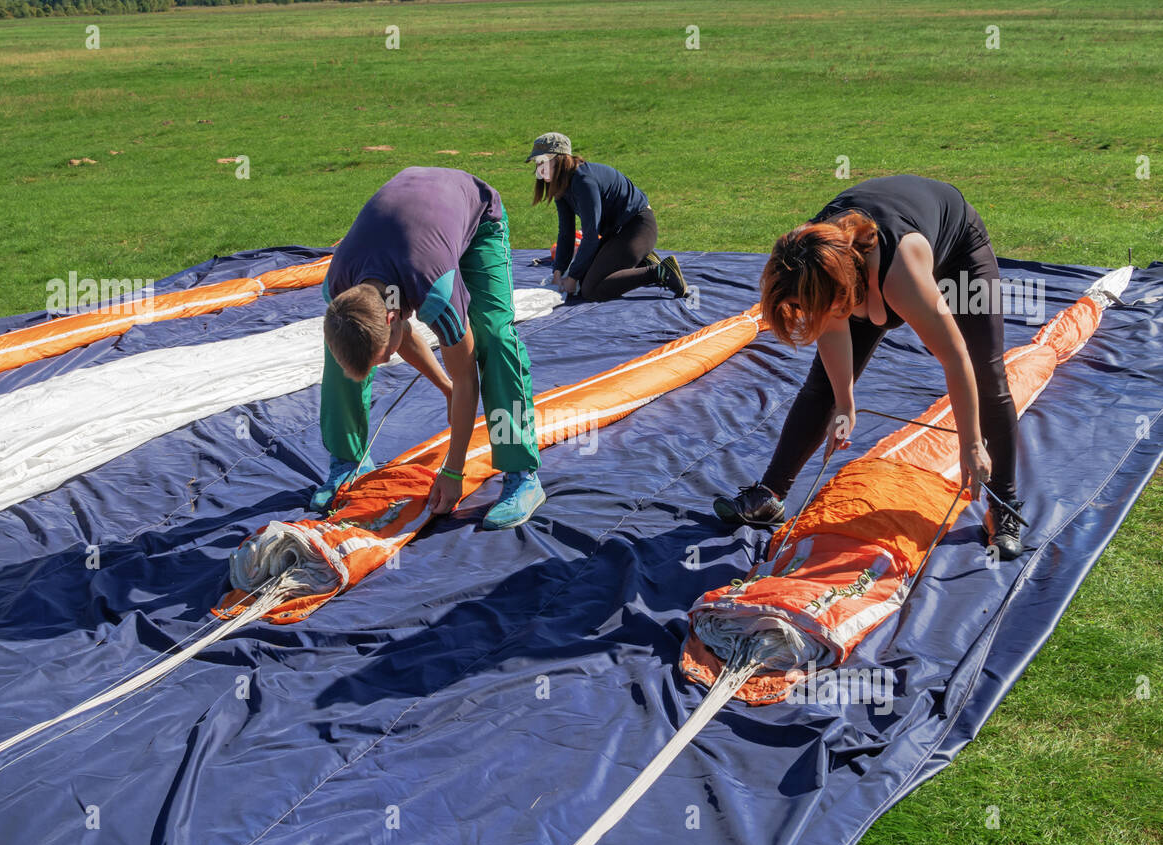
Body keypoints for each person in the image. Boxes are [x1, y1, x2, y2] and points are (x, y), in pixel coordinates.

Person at [713, 174, 1026, 558]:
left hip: (957, 248)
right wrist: (845, 402)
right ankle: (771, 493)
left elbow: (955, 357)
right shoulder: (806, 258)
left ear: (846, 287)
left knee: (987, 375)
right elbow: (830, 332)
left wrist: (972, 444)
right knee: (822, 388)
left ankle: (1004, 505)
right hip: (859, 274)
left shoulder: (902, 273)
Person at [313, 166, 545, 530]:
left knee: (494, 338)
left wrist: (453, 471)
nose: (388, 360)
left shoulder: (436, 288)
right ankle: (346, 460)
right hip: (411, 220)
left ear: (391, 319)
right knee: (345, 340)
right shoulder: (340, 291)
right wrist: (444, 388)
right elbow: (396, 334)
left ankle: (521, 473)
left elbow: (467, 378)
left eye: (385, 356)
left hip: (475, 215)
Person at [527, 132, 688, 301]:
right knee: (582, 281)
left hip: (638, 228)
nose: (539, 169)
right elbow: (566, 233)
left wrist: (572, 277)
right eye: (537, 164)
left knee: (591, 290)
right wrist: (558, 272)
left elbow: (590, 236)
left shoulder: (583, 180)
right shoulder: (561, 186)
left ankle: (659, 272)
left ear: (559, 159)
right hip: (617, 233)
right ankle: (643, 262)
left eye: (543, 161)